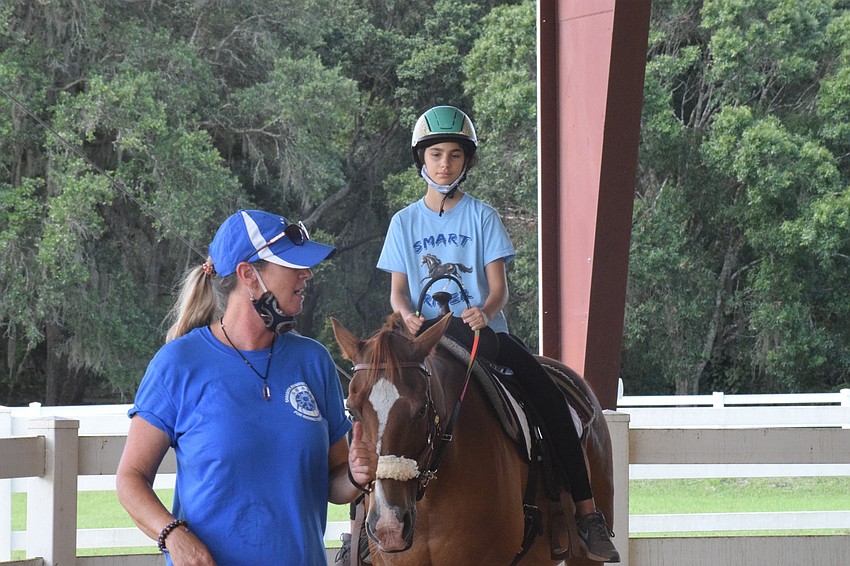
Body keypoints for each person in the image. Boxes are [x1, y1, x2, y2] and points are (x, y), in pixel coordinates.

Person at [375, 105, 620, 563]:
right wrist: (407, 316)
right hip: (425, 338)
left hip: (478, 335)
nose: (444, 164)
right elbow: (397, 293)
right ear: (421, 162)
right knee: (379, 407)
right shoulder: (403, 223)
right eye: (435, 155)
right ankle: (361, 526)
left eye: (453, 155)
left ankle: (587, 513)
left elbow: (499, 287)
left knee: (547, 394)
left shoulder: (482, 217)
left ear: (466, 161)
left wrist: (485, 312)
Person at [116, 209, 378, 566]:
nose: (307, 274)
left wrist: (355, 475)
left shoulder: (313, 361)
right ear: (248, 275)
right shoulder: (178, 364)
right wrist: (172, 535)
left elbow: (334, 483)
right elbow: (131, 478)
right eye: (293, 264)